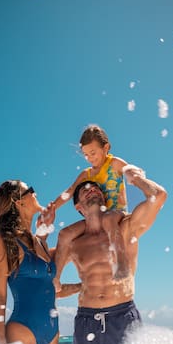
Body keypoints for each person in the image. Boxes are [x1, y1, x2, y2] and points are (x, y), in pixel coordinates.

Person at [55, 167, 167, 344]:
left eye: (96, 188)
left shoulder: (125, 228)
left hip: (122, 317)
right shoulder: (73, 244)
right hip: (86, 321)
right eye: (85, 190)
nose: (92, 189)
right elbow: (49, 286)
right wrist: (80, 288)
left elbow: (158, 196)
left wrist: (136, 179)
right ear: (78, 207)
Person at [0, 180, 81, 344]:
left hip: (51, 332)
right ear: (18, 202)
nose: (35, 193)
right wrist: (0, 343)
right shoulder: (4, 240)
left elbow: (47, 288)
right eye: (30, 190)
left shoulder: (39, 242)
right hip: (22, 330)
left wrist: (86, 286)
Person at [52, 124, 144, 291]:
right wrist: (52, 208)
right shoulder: (86, 174)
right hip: (95, 217)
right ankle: (56, 278)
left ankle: (122, 264)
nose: (89, 158)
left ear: (106, 147)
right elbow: (70, 191)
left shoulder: (114, 163)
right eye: (86, 155)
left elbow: (129, 170)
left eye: (93, 153)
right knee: (65, 233)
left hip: (117, 213)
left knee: (108, 219)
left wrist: (135, 175)